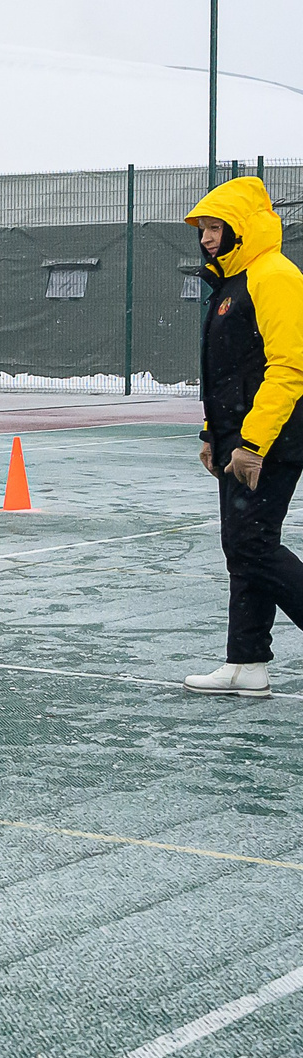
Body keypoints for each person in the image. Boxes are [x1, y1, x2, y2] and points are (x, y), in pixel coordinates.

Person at [182, 177, 303, 695]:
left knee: (252, 545)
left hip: (272, 439)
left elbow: (289, 366)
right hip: (237, 440)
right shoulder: (233, 283)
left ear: (243, 227)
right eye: (203, 230)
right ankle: (246, 663)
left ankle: (247, 658)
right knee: (242, 546)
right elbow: (228, 374)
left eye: (216, 227)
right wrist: (214, 434)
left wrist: (253, 443)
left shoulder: (274, 276)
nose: (207, 238)